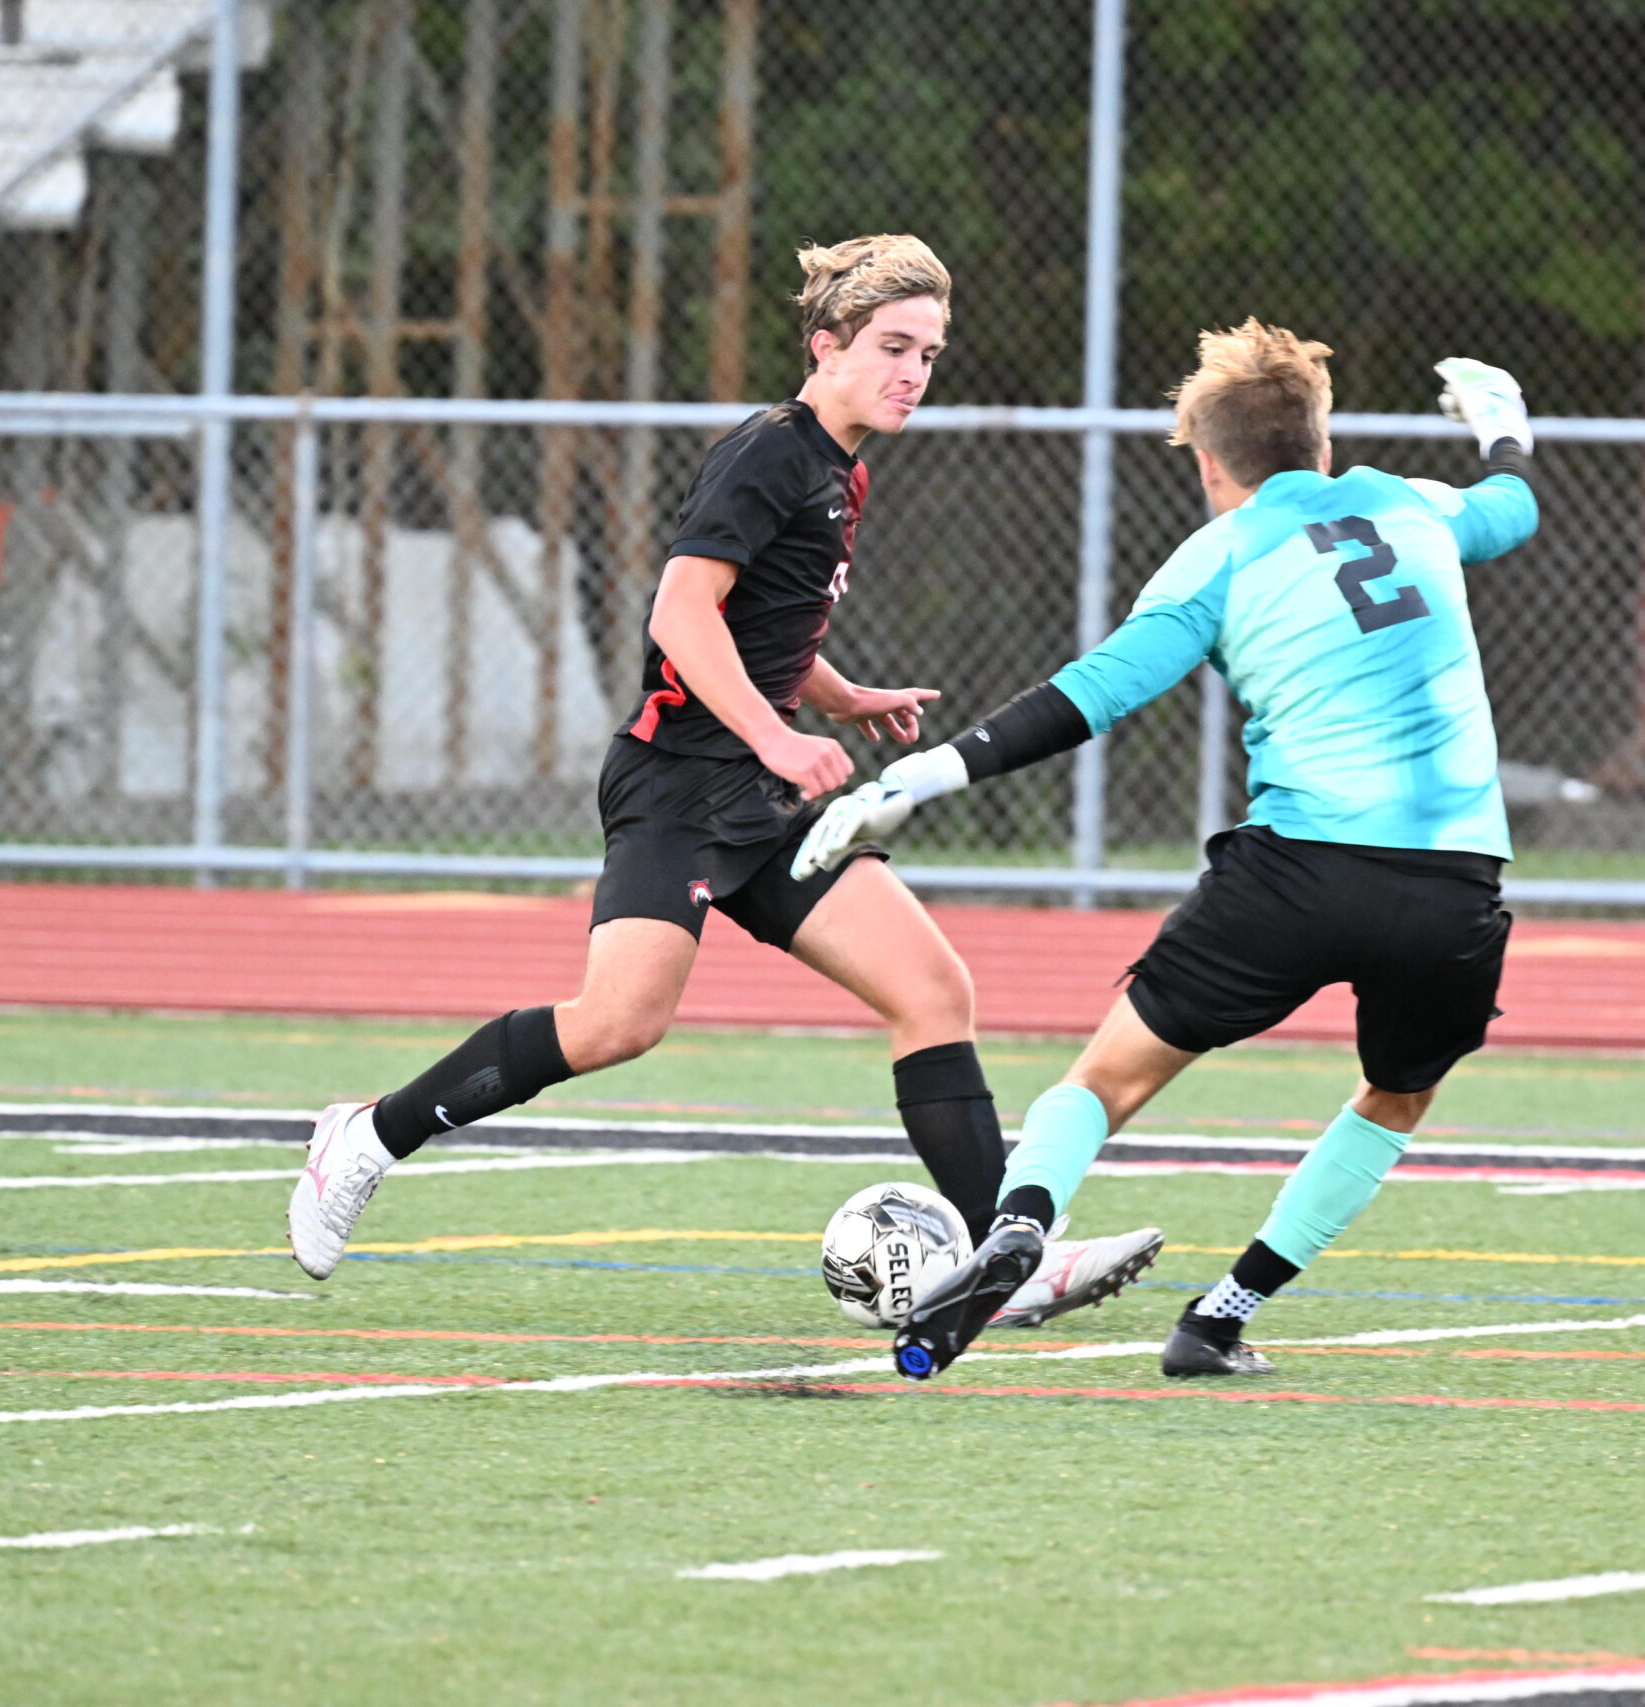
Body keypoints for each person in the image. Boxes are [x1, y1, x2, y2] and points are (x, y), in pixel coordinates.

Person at [289, 235, 1162, 1327]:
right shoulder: (768, 453)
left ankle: (1007, 1257)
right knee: (616, 1025)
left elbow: (764, 624)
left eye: (929, 355)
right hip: (678, 785)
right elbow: (679, 614)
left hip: (757, 796)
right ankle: (366, 1137)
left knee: (932, 989)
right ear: (825, 345)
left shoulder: (842, 469)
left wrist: (835, 699)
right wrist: (782, 739)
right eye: (892, 347)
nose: (912, 373)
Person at [790, 322, 1539, 1379]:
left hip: (1295, 874)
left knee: (1102, 1085)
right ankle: (1222, 1316)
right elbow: (1512, 507)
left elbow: (1093, 693)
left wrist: (924, 775)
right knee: (1395, 1098)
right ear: (1320, 444)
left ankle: (1019, 1227)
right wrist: (1503, 424)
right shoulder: (1409, 502)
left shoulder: (1219, 556)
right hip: (1454, 886)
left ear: (1206, 461)